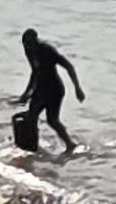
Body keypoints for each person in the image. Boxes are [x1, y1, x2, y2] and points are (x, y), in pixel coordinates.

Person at [16, 28, 82, 157]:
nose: (28, 47)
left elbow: (69, 66)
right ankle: (31, 145)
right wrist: (27, 93)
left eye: (30, 44)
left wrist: (77, 89)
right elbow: (35, 72)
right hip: (40, 88)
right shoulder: (29, 50)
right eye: (25, 44)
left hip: (54, 89)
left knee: (52, 120)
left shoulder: (47, 51)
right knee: (31, 117)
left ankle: (70, 144)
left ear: (36, 41)